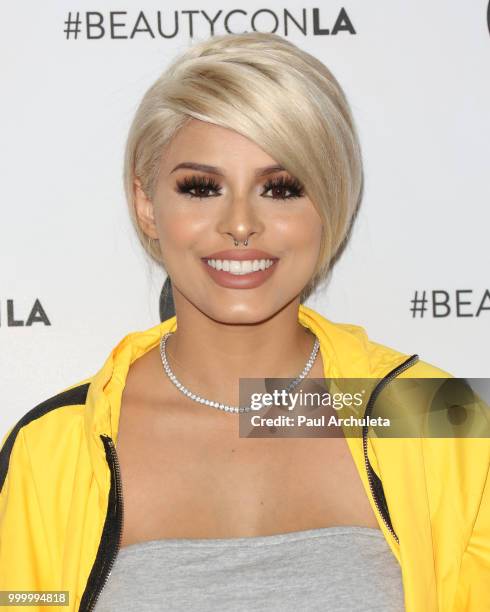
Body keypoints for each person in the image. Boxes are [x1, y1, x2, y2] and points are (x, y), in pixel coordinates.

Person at [0, 32, 488, 612]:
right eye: (202, 187)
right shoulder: (52, 446)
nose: (239, 223)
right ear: (148, 205)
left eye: (280, 188)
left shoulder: (434, 415)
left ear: (331, 203)